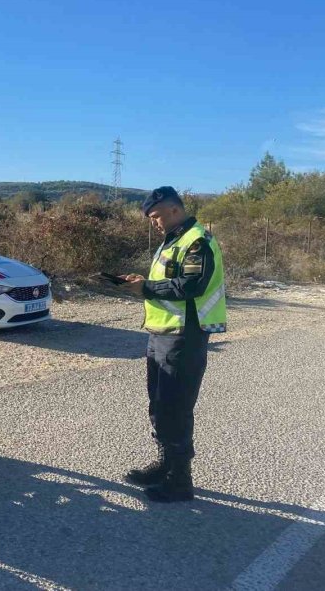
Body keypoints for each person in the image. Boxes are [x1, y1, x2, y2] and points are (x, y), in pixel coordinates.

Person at [119, 186, 227, 502]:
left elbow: (192, 284)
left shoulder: (197, 241)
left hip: (184, 334)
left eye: (156, 216)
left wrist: (147, 289)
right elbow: (171, 280)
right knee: (160, 404)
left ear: (174, 210)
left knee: (175, 407)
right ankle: (166, 464)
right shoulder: (175, 240)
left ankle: (180, 480)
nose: (154, 223)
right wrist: (142, 283)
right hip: (163, 333)